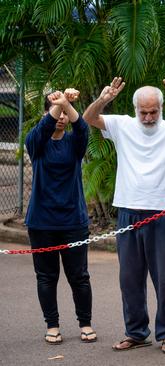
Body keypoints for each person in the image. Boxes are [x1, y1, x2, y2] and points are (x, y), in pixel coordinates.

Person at [83, 73, 165, 354]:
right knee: (130, 278)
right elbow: (88, 118)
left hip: (162, 213)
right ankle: (136, 332)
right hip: (128, 210)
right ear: (135, 110)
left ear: (161, 109)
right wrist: (102, 100)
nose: (149, 117)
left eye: (153, 112)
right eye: (144, 112)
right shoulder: (122, 125)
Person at [25, 89, 95, 345]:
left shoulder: (74, 145)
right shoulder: (37, 143)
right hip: (41, 222)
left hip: (73, 221)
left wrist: (66, 104)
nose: (62, 117)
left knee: (79, 276)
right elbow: (44, 128)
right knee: (46, 277)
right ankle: (52, 325)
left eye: (65, 113)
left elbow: (83, 128)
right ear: (46, 113)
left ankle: (85, 323)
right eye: (56, 112)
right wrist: (60, 103)